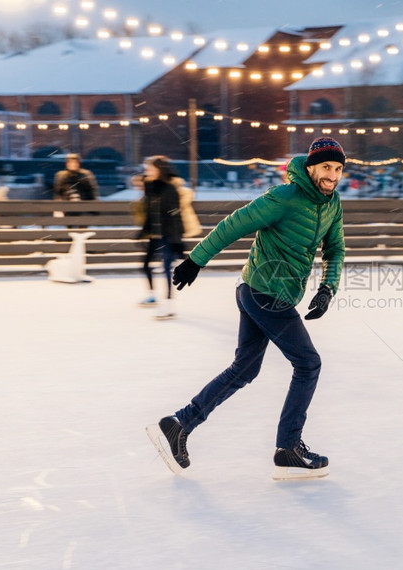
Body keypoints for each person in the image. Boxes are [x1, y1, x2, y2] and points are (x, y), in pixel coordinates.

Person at [146, 137, 347, 480]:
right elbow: (235, 224)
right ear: (310, 167)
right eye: (326, 167)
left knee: (245, 369)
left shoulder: (332, 203)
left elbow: (335, 248)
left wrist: (328, 288)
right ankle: (288, 448)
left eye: (339, 168)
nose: (332, 175)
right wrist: (196, 260)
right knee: (308, 363)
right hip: (264, 292)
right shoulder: (284, 197)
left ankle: (180, 423)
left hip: (266, 293)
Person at [134, 156, 188, 320]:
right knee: (144, 265)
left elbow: (175, 216)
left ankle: (169, 305)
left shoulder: (170, 189)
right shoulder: (152, 187)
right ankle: (152, 295)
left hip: (168, 236)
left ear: (159, 170)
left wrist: (177, 240)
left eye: (150, 168)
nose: (147, 172)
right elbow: (150, 213)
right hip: (154, 235)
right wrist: (143, 232)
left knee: (166, 270)